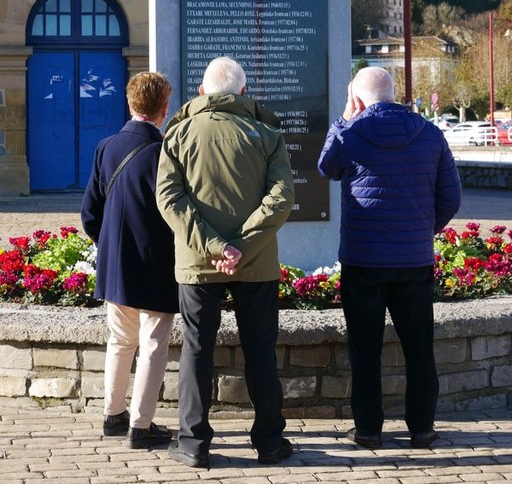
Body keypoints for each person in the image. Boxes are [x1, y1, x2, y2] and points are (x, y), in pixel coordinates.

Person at [156, 56, 295, 469]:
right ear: (243, 92)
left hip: (197, 262)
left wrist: (216, 246)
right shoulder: (267, 134)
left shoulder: (178, 133)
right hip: (255, 265)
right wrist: (240, 247)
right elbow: (281, 197)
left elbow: (169, 198)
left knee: (197, 351)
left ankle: (193, 443)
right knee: (261, 352)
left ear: (202, 92)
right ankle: (270, 441)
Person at [317, 67, 461, 450]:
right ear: (394, 94)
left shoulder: (350, 134)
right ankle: (422, 429)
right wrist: (420, 232)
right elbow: (451, 198)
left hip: (363, 262)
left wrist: (343, 120)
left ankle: (368, 430)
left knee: (365, 348)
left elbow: (324, 167)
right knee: (418, 347)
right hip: (415, 261)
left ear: (358, 99)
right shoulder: (431, 134)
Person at [81, 71, 179, 449]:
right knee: (153, 344)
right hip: (155, 264)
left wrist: (109, 245)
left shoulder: (106, 146)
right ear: (164, 108)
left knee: (120, 340)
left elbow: (91, 213)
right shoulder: (165, 151)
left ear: (130, 103)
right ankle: (141, 425)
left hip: (116, 264)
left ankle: (113, 414)